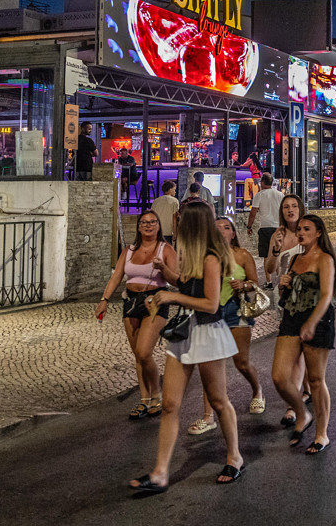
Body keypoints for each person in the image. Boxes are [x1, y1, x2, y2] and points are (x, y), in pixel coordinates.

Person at [129, 204, 244, 492]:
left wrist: (171, 298)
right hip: (185, 334)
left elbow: (211, 303)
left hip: (207, 332)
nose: (174, 226)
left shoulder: (211, 259)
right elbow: (184, 284)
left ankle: (235, 457)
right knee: (169, 405)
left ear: (191, 226)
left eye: (178, 221)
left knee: (218, 401)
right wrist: (164, 288)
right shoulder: (190, 256)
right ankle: (160, 472)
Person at [97, 211, 178, 421]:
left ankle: (156, 395)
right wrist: (104, 299)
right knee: (138, 356)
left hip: (155, 302)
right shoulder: (129, 250)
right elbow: (116, 276)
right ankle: (144, 398)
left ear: (159, 226)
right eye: (144, 222)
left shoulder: (165, 249)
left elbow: (177, 280)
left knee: (144, 352)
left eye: (152, 222)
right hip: (131, 302)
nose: (148, 225)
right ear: (139, 227)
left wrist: (163, 268)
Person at [189, 215, 265, 435]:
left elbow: (255, 284)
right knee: (210, 365)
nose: (221, 231)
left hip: (235, 310)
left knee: (241, 362)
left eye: (226, 227)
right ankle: (208, 416)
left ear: (233, 233)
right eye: (216, 228)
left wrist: (243, 284)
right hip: (211, 314)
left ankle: (257, 390)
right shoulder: (204, 257)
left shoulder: (242, 255)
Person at [271, 213, 336, 455]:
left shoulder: (325, 259)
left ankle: (322, 434)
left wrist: (311, 323)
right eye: (299, 229)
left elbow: (327, 295)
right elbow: (285, 296)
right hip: (291, 317)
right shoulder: (295, 258)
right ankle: (302, 413)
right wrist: (283, 285)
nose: (300, 233)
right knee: (279, 376)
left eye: (306, 229)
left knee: (317, 381)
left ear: (318, 233)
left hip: (317, 320)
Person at [263, 193, 311, 427]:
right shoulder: (278, 234)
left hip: (306, 298)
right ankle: (305, 390)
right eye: (286, 207)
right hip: (283, 297)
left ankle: (294, 405)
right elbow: (270, 269)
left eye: (294, 206)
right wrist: (276, 249)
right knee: (298, 348)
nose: (290, 210)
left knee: (298, 349)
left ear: (300, 208)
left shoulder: (309, 231)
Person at [248, 172, 283, 260]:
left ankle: (268, 274)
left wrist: (249, 226)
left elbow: (253, 213)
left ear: (262, 182)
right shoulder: (280, 195)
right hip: (278, 228)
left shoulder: (259, 195)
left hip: (265, 228)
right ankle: (277, 273)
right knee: (277, 255)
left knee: (266, 256)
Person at [150, 180, 180, 245]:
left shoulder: (156, 201)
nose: (175, 191)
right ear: (170, 189)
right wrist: (175, 232)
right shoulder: (174, 201)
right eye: (174, 189)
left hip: (157, 230)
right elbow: (174, 218)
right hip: (168, 231)